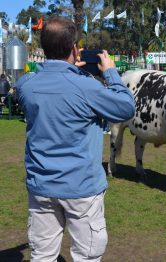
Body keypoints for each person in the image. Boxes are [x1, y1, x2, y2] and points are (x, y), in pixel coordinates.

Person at [16, 16, 135, 262]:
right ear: (74, 49)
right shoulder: (86, 87)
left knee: (43, 255)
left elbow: (40, 83)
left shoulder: (26, 85)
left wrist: (68, 70)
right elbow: (125, 107)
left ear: (44, 48)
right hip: (81, 189)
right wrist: (110, 73)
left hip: (41, 187)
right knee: (87, 256)